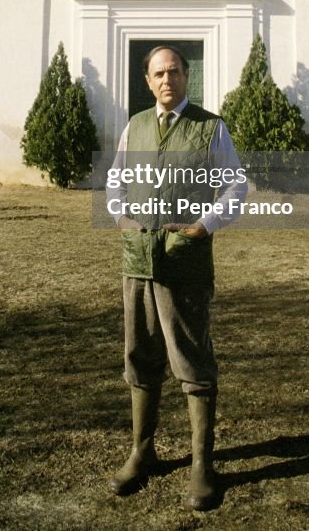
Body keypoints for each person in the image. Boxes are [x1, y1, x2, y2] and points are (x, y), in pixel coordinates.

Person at [106, 45, 247, 510]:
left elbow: (235, 185)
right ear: (147, 82)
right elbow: (116, 182)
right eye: (158, 74)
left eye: (175, 72)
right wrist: (123, 219)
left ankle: (202, 466)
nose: (167, 80)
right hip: (138, 261)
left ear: (188, 76)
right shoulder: (136, 126)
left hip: (185, 265)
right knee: (141, 356)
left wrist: (203, 226)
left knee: (191, 360)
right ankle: (141, 452)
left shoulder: (211, 127)